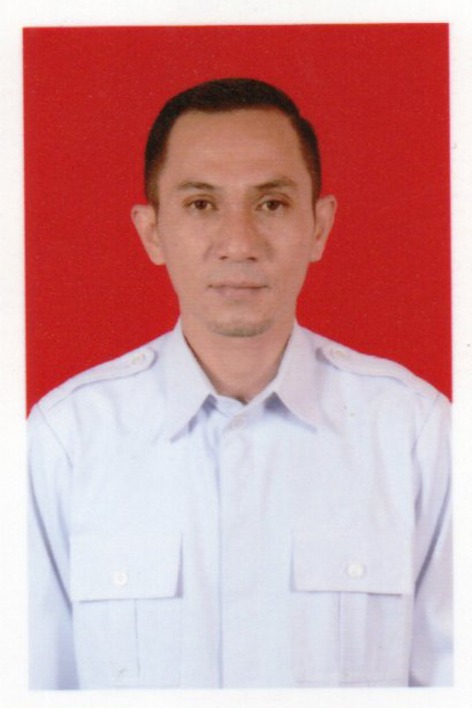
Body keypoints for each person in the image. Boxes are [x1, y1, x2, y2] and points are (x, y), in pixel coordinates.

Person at [28, 78, 452, 690]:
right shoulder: (65, 441)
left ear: (319, 226)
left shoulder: (414, 433)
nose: (239, 243)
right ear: (152, 231)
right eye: (201, 205)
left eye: (271, 204)